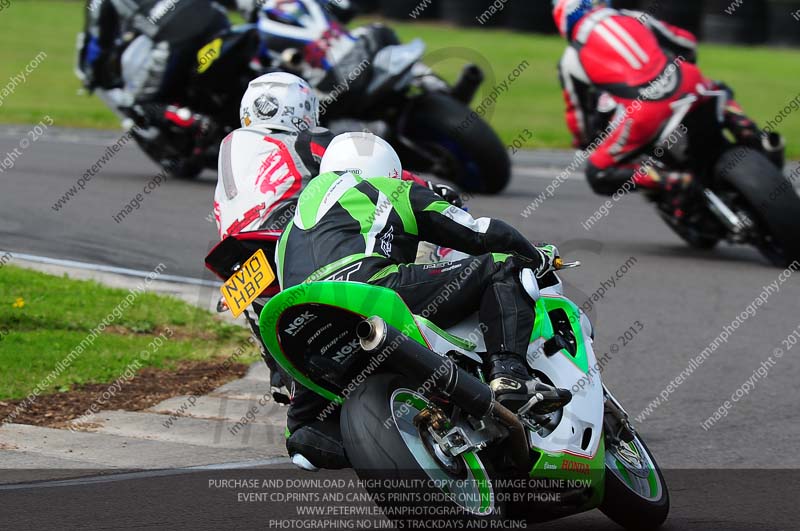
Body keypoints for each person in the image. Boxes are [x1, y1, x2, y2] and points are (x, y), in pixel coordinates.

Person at [275, 132, 573, 470]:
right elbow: (478, 232)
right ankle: (509, 373)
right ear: (387, 171)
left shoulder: (288, 232)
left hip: (304, 326)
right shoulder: (386, 189)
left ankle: (322, 432)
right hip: (369, 290)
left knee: (304, 438)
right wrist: (535, 255)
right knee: (502, 266)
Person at [213, 73, 463, 466]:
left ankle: (290, 378)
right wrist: (428, 189)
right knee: (413, 247)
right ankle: (426, 332)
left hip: (238, 246)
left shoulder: (231, 146)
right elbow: (364, 173)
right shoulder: (304, 139)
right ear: (300, 109)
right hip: (292, 225)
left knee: (270, 309)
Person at [553, 0, 784, 198]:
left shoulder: (570, 59)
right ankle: (756, 136)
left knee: (598, 172)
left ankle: (674, 181)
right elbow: (686, 43)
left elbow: (578, 113)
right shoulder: (634, 17)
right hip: (687, 82)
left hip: (645, 113)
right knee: (716, 89)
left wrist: (584, 141)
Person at [76, 0, 247, 142]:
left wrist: (94, 74)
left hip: (174, 37)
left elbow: (99, 41)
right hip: (216, 18)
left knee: (139, 102)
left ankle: (195, 122)